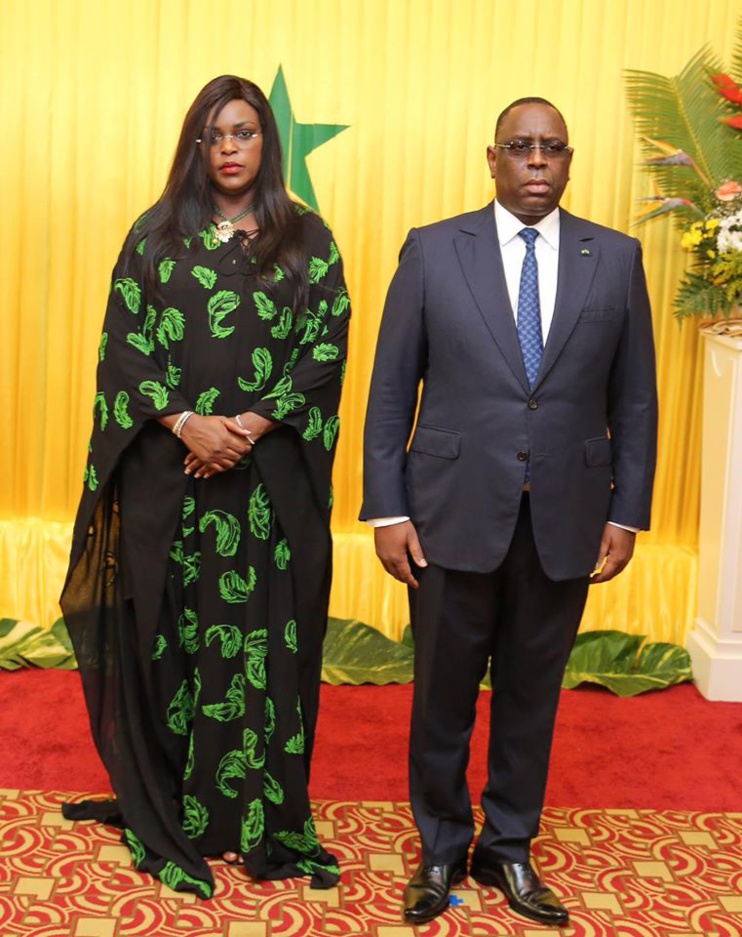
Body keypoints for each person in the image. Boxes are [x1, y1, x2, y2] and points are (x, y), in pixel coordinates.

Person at [361, 97, 657, 926]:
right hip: (449, 511)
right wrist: (388, 507)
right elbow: (391, 393)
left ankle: (509, 848)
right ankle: (441, 844)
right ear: (491, 158)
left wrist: (626, 512)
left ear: (570, 160)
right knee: (442, 692)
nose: (537, 162)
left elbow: (635, 401)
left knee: (534, 692)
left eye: (552, 148)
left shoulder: (617, 257)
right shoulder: (431, 251)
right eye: (521, 147)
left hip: (566, 515)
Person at [60, 75, 351, 898]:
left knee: (264, 646)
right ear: (197, 144)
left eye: (245, 132)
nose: (230, 147)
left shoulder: (308, 239)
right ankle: (176, 808)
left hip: (268, 492)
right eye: (215, 134)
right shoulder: (153, 237)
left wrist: (250, 428)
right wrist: (188, 423)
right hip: (170, 485)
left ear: (269, 143)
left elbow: (325, 346)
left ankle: (261, 818)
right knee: (171, 644)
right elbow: (123, 349)